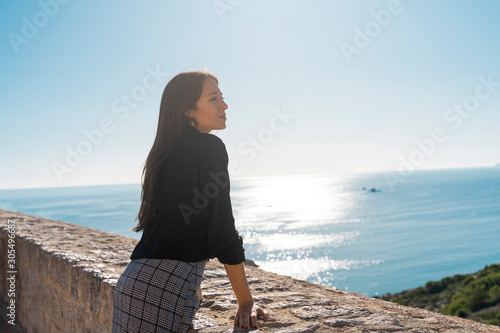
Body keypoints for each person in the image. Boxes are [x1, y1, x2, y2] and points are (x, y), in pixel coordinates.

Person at [112, 70, 270, 332]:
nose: (224, 105)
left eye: (222, 97)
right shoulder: (211, 148)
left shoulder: (161, 154)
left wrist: (194, 286)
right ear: (187, 110)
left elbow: (176, 226)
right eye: (213, 98)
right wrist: (246, 302)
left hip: (131, 283)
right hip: (164, 292)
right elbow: (222, 231)